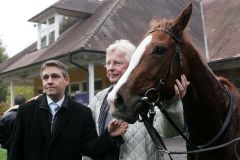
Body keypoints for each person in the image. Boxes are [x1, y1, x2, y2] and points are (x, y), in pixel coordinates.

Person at [84, 39, 189, 160]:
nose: (110, 68)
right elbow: (89, 142)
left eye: (117, 63)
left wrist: (172, 103)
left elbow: (168, 132)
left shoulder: (150, 96)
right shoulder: (98, 99)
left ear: (132, 66)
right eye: (108, 63)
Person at [8, 60, 128, 160]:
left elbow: (92, 150)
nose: (49, 81)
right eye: (45, 77)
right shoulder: (26, 111)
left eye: (55, 76)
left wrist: (108, 134)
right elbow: (15, 151)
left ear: (67, 80)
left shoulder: (82, 113)